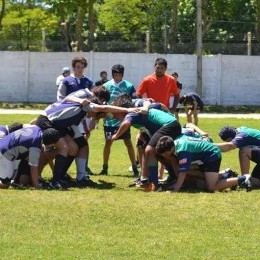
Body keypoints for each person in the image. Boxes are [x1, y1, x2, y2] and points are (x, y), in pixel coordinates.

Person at [36, 96, 138, 188]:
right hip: (47, 122)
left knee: (76, 147)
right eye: (97, 114)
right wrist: (127, 109)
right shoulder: (86, 105)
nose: (96, 116)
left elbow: (69, 99)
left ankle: (65, 177)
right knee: (64, 148)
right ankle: (54, 180)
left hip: (56, 124)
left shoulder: (79, 112)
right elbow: (103, 108)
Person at [110, 94, 182, 191]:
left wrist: (115, 136)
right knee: (159, 153)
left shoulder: (132, 112)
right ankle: (174, 177)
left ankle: (154, 184)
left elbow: (126, 123)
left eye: (115, 112)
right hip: (172, 124)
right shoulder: (140, 110)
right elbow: (160, 105)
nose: (114, 116)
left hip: (169, 125)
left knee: (149, 150)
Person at [155, 135, 252, 192]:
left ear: (170, 149)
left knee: (211, 187)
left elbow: (183, 172)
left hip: (212, 155)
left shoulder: (182, 151)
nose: (164, 156)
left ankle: (243, 179)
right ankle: (226, 175)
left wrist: (176, 189)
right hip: (204, 156)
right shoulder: (176, 143)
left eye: (164, 154)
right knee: (200, 183)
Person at [100, 64, 138, 177]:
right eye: (115, 74)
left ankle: (135, 168)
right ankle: (105, 168)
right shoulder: (106, 85)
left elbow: (134, 99)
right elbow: (102, 100)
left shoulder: (129, 86)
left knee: (128, 142)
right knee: (108, 142)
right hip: (110, 120)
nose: (117, 77)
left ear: (122, 74)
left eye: (119, 74)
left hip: (123, 119)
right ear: (112, 74)